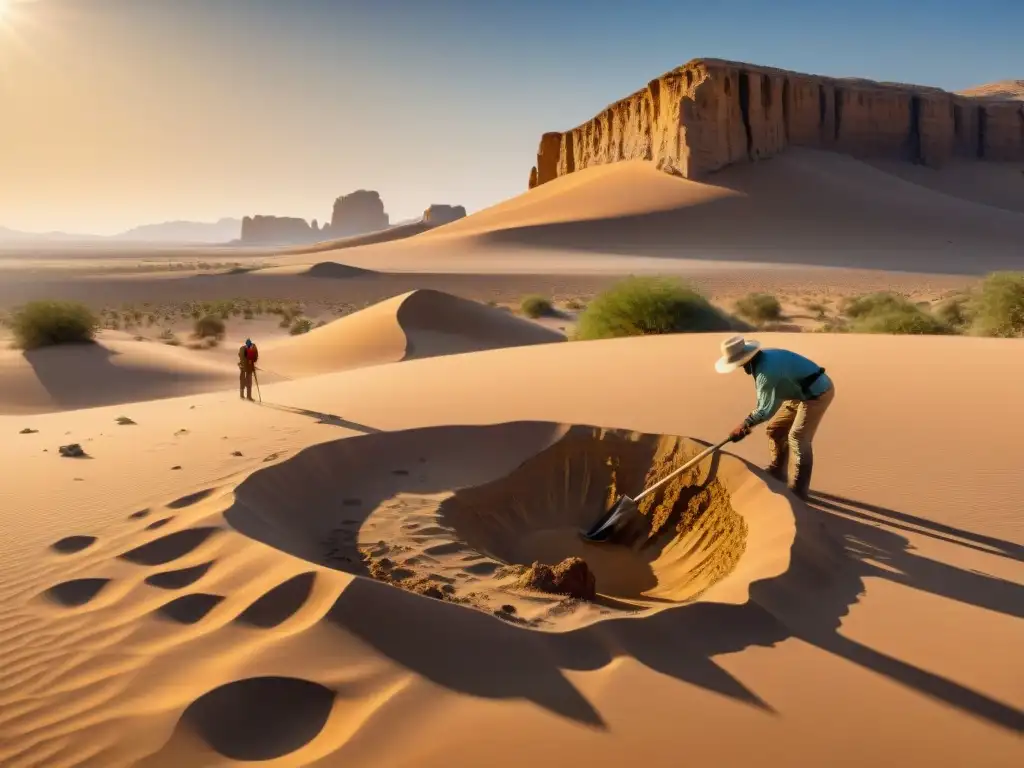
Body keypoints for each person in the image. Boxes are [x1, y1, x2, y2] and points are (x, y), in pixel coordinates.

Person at [715, 335, 835, 500]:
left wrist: (745, 425)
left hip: (817, 393)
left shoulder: (766, 372)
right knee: (775, 430)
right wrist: (747, 425)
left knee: (797, 437)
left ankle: (799, 492)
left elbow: (765, 409)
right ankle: (778, 471)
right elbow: (774, 398)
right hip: (796, 393)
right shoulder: (763, 360)